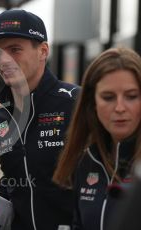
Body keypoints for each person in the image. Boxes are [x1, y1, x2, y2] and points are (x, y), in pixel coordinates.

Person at [0, 9, 79, 230]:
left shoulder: (77, 103)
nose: (3, 60)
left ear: (43, 51)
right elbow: (15, 181)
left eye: (14, 49)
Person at [52, 47, 141, 230]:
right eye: (108, 97)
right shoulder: (85, 160)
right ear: (92, 103)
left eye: (131, 96)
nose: (120, 107)